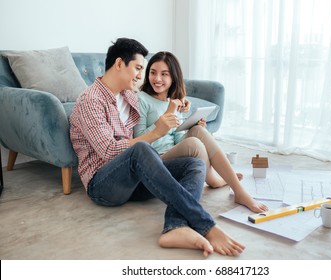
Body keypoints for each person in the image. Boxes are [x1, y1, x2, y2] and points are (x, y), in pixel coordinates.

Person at [69, 38, 245, 257]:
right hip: (104, 185)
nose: (141, 76)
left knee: (194, 164)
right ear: (119, 64)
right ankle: (206, 225)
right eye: (138, 68)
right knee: (142, 149)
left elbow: (158, 100)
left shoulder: (128, 95)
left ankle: (175, 226)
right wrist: (156, 132)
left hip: (135, 181)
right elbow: (109, 151)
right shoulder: (90, 100)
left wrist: (180, 103)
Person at [134, 51, 268, 213]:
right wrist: (166, 117)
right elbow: (139, 143)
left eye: (164, 74)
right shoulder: (141, 99)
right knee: (194, 142)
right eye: (153, 73)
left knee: (198, 131)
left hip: (174, 154)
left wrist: (191, 126)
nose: (157, 79)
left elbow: (177, 139)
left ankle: (237, 190)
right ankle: (216, 181)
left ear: (174, 77)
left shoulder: (174, 102)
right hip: (155, 158)